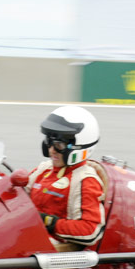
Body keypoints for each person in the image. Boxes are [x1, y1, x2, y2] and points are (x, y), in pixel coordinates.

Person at [28, 105, 106, 247]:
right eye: (49, 142)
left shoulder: (85, 180)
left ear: (80, 146)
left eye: (59, 144)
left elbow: (90, 230)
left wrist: (50, 223)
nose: (52, 150)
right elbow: (18, 194)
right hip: (28, 236)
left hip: (51, 251)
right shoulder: (44, 169)